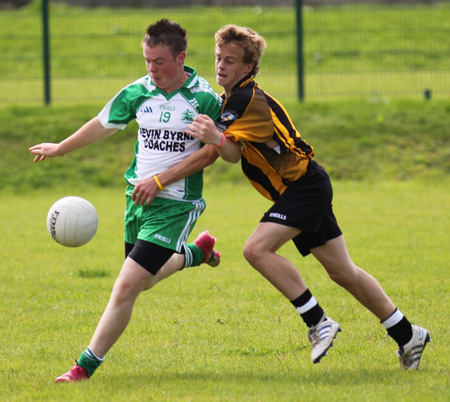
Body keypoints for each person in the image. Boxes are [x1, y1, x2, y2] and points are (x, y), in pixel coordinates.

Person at [186, 24, 430, 370]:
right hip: (304, 186)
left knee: (256, 250)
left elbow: (230, 151)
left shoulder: (245, 98)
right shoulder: (235, 98)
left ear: (249, 67)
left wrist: (214, 136)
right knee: (343, 272)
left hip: (303, 187)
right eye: (218, 58)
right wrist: (217, 137)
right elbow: (234, 150)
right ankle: (408, 334)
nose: (221, 66)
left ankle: (318, 321)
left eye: (230, 60)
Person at [29, 19, 223, 382]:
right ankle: (197, 254)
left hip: (176, 204)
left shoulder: (204, 99)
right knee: (142, 280)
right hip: (137, 200)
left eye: (160, 61)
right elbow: (102, 124)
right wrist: (60, 148)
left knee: (126, 285)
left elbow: (211, 153)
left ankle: (83, 368)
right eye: (148, 60)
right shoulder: (138, 92)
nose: (153, 69)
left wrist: (160, 180)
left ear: (180, 58)